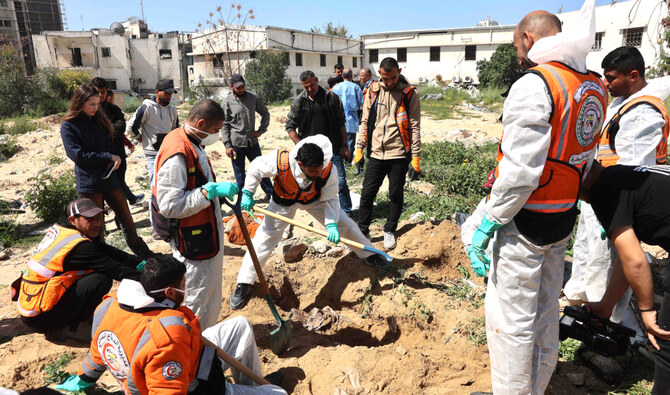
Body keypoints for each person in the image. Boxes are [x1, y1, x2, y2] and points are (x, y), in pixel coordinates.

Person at [466, 4, 608, 393]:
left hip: (524, 222)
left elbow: (521, 171)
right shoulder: (592, 85)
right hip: (562, 216)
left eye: (516, 47)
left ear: (527, 39)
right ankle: (537, 383)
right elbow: (583, 158)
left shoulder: (536, 83)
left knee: (510, 323)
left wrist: (489, 222)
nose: (518, 56)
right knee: (545, 313)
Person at [56, 254, 287, 394]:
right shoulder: (167, 334)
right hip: (196, 387)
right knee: (278, 393)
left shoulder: (109, 306)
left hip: (189, 357)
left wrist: (83, 379)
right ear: (169, 291)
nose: (185, 289)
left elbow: (99, 350)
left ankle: (254, 388)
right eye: (183, 284)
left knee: (240, 326)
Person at [564, 47, 670, 329]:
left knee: (613, 260)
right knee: (599, 258)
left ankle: (615, 322)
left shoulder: (644, 110)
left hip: (617, 194)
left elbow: (634, 163)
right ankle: (601, 309)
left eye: (611, 78)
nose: (606, 84)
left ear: (633, 75)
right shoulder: (622, 103)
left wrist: (648, 312)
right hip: (604, 190)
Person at [229, 135, 389, 310]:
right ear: (300, 164)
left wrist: (331, 224)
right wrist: (248, 193)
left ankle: (369, 254)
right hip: (284, 200)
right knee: (264, 238)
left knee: (346, 225)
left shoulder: (329, 170)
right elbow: (255, 169)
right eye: (313, 171)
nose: (318, 173)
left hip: (315, 200)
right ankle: (244, 283)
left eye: (320, 169)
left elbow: (331, 200)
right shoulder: (280, 161)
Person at [579, 162, 670, 395]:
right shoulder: (623, 175)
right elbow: (627, 257)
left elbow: (636, 261)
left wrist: (648, 312)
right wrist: (606, 305)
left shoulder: (605, 191)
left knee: (665, 346)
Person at [153, 99, 239, 329]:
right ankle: (195, 344)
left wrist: (214, 191)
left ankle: (206, 337)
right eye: (215, 130)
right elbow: (169, 206)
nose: (217, 136)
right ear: (201, 123)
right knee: (197, 298)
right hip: (193, 240)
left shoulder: (192, 141)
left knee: (209, 292)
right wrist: (206, 194)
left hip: (205, 232)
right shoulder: (177, 151)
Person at [13, 198, 142, 336]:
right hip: (42, 318)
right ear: (73, 219)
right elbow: (116, 270)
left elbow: (107, 250)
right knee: (101, 278)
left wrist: (141, 263)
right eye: (90, 219)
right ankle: (77, 326)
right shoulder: (80, 247)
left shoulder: (64, 230)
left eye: (98, 217)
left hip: (31, 307)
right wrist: (154, 280)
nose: (97, 223)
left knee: (93, 272)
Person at [60, 84, 153, 259]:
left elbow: (110, 142)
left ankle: (147, 258)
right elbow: (78, 155)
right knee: (96, 230)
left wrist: (115, 157)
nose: (96, 108)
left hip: (110, 179)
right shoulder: (69, 126)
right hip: (90, 183)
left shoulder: (99, 120)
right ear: (80, 103)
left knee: (127, 220)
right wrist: (107, 156)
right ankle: (104, 265)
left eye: (97, 104)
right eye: (92, 105)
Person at [354, 57, 421, 250]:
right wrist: (359, 148)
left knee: (395, 195)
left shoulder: (409, 94)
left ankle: (389, 230)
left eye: (392, 78)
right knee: (367, 194)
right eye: (385, 78)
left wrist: (415, 157)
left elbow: (415, 127)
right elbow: (365, 122)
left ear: (399, 71)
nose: (389, 82)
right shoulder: (373, 91)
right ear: (380, 75)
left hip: (398, 155)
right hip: (376, 153)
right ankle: (363, 230)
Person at [286, 70, 353, 217]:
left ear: (316, 80)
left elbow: (341, 123)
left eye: (312, 85)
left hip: (332, 150)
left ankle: (347, 214)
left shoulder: (331, 98)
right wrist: (300, 146)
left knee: (340, 183)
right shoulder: (299, 101)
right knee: (309, 184)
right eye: (306, 87)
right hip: (310, 156)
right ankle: (321, 215)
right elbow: (290, 126)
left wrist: (344, 145)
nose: (310, 89)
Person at [126, 79, 179, 229]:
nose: (169, 96)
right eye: (166, 93)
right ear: (157, 92)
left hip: (170, 154)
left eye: (171, 93)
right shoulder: (146, 108)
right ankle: (156, 225)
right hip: (153, 156)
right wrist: (142, 140)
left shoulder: (172, 110)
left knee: (172, 186)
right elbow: (130, 129)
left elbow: (176, 131)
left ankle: (170, 219)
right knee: (155, 189)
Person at [91, 77, 144, 206]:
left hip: (117, 154)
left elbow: (121, 128)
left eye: (103, 92)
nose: (101, 95)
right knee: (100, 191)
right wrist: (107, 130)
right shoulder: (89, 111)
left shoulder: (114, 110)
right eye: (97, 92)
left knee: (118, 185)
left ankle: (120, 217)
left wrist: (102, 131)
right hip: (98, 158)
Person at [221, 73, 273, 199]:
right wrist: (228, 145)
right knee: (239, 174)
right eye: (238, 87)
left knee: (261, 169)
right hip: (236, 144)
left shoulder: (253, 97)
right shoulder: (227, 102)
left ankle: (271, 194)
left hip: (252, 142)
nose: (241, 90)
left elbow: (265, 113)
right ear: (232, 86)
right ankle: (242, 198)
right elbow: (224, 124)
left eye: (243, 86)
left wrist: (261, 130)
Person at [332, 68, 364, 168]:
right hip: (351, 119)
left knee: (339, 140)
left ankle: (339, 162)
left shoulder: (336, 88)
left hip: (337, 120)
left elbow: (331, 103)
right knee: (350, 141)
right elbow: (361, 103)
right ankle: (348, 162)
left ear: (342, 76)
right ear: (351, 76)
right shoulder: (356, 87)